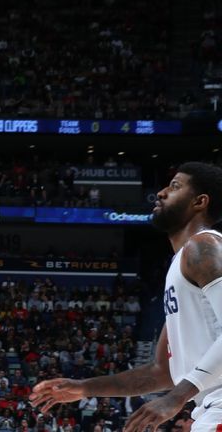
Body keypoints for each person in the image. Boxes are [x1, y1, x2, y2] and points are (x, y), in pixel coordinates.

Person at [30, 162, 222, 432]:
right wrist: (85, 388)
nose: (161, 193)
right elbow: (162, 372)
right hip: (208, 408)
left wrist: (175, 398)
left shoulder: (203, 246)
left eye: (175, 186)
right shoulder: (180, 265)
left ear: (200, 201)